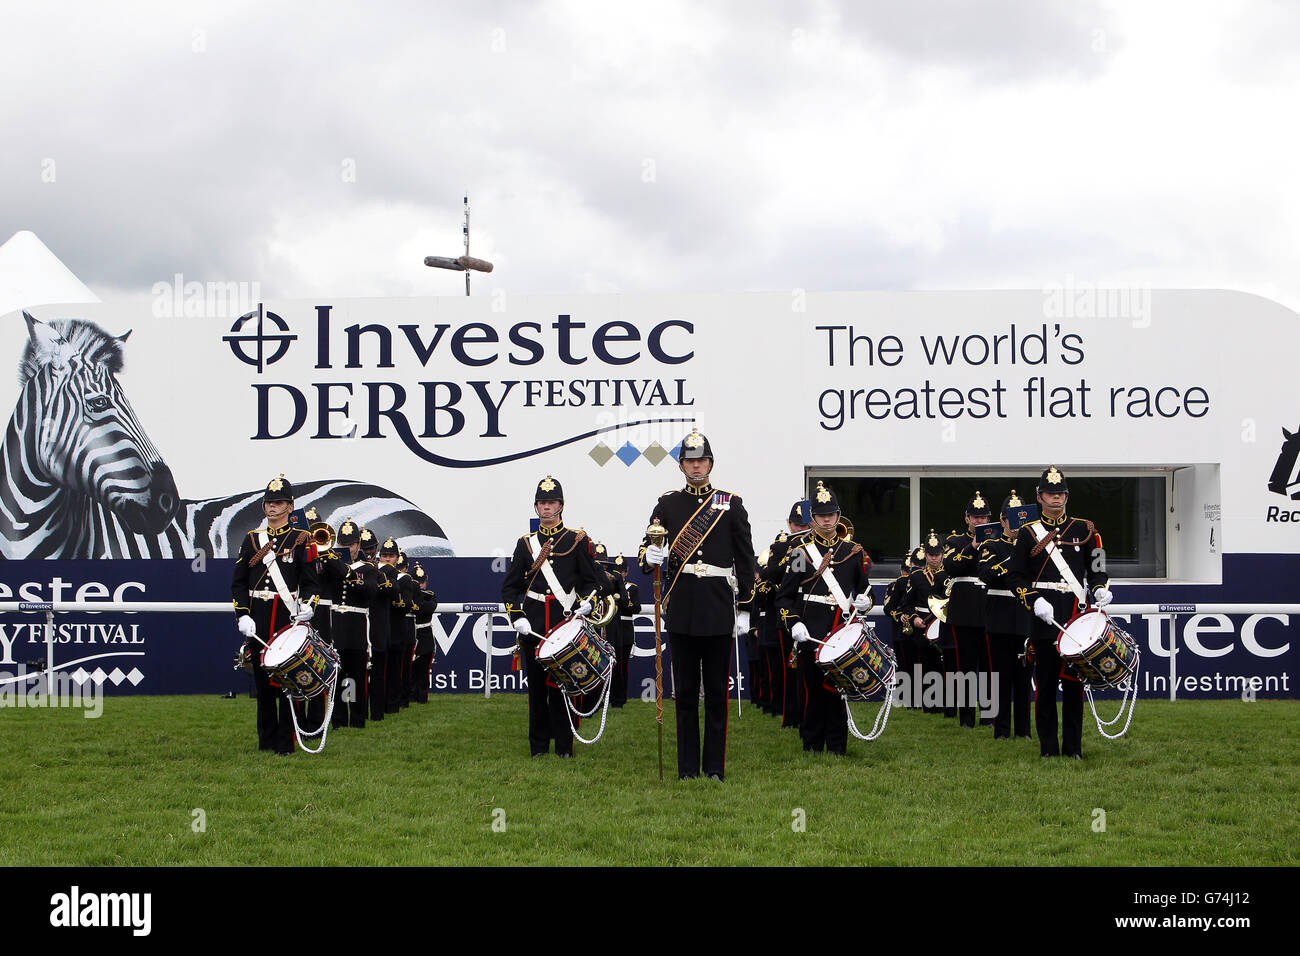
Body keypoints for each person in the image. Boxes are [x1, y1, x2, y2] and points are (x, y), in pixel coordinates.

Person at [640, 427, 756, 781]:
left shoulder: (730, 503)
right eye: (689, 461)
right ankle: (687, 769)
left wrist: (746, 606)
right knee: (686, 693)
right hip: (683, 609)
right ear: (681, 465)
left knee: (718, 694)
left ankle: (714, 769)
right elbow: (646, 552)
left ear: (711, 462)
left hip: (718, 607)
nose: (696, 466)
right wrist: (652, 556)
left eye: (701, 460)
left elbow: (745, 557)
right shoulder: (668, 504)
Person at [1007, 466, 1113, 759]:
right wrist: (1033, 599)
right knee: (1046, 685)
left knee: (1074, 684)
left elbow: (1098, 566)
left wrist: (1101, 587)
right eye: (1051, 494)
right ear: (1039, 497)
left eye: (1061, 493)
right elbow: (1014, 576)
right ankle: (1048, 749)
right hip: (1045, 617)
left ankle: (1073, 748)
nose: (1056, 498)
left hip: (1076, 615)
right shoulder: (1028, 533)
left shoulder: (1085, 529)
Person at [501, 476, 606, 758]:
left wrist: (587, 601)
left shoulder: (576, 540)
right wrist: (517, 616)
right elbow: (510, 587)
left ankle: (564, 747)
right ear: (536, 507)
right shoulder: (526, 544)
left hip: (565, 622)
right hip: (534, 624)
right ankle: (538, 747)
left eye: (551, 502)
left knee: (564, 688)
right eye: (542, 502)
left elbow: (590, 581)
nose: (547, 507)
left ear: (561, 505)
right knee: (536, 691)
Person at [776, 482, 871, 755]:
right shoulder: (800, 552)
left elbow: (864, 590)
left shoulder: (853, 551)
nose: (827, 520)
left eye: (831, 514)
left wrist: (866, 602)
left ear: (838, 516)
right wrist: (793, 622)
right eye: (821, 515)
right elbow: (784, 596)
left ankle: (838, 746)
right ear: (813, 518)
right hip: (810, 629)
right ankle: (813, 745)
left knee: (838, 691)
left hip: (839, 631)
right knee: (811, 691)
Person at [231, 475, 320, 755]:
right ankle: (266, 742)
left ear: (290, 506)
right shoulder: (251, 540)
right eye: (269, 502)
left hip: (286, 617)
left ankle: (287, 743)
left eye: (278, 502)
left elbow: (310, 582)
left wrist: (309, 605)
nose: (272, 507)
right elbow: (239, 582)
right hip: (258, 616)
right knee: (262, 684)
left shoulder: (302, 540)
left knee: (288, 683)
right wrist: (242, 615)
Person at [978, 492, 1033, 740]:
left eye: (1021, 519)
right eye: (1011, 519)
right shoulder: (992, 546)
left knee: (1024, 679)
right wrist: (1014, 558)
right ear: (1002, 522)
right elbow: (986, 574)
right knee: (1000, 677)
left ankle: (1023, 731)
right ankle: (1001, 731)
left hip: (1024, 617)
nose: (1016, 524)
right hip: (999, 618)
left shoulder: (1034, 547)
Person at [756, 501, 810, 726]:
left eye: (805, 524)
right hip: (789, 611)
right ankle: (791, 716)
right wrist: (792, 554)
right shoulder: (781, 546)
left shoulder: (822, 545)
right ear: (789, 524)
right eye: (796, 524)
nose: (800, 528)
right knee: (789, 668)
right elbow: (773, 573)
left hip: (813, 609)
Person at [322, 518, 376, 729]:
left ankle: (357, 718)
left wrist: (349, 573)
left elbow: (370, 591)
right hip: (336, 624)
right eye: (343, 544)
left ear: (358, 546)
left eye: (351, 544)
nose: (347, 548)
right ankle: (338, 719)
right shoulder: (332, 566)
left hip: (356, 626)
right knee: (338, 675)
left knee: (356, 676)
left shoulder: (368, 569)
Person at [944, 492, 992, 728]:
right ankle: (966, 717)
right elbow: (951, 566)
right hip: (964, 610)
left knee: (989, 665)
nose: (979, 522)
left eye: (983, 518)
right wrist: (973, 546)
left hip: (990, 608)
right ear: (967, 519)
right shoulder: (955, 541)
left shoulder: (996, 540)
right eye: (975, 517)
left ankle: (989, 715)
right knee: (966, 666)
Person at [906, 532, 951, 716]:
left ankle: (945, 705)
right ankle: (929, 706)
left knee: (945, 667)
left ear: (942, 554)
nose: (934, 558)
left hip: (944, 625)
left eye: (937, 554)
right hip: (923, 626)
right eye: (931, 554)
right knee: (927, 666)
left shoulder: (949, 574)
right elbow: (905, 604)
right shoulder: (916, 576)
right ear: (926, 555)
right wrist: (913, 618)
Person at [362, 528, 393, 723]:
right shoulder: (353, 568)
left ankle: (377, 712)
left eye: (371, 548)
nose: (368, 552)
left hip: (378, 626)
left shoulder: (386, 571)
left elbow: (392, 590)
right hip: (359, 627)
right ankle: (361, 712)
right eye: (365, 549)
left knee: (379, 672)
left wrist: (376, 572)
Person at [606, 553, 639, 708]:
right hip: (610, 626)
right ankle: (607, 696)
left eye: (622, 570)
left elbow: (634, 607)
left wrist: (621, 598)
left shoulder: (631, 588)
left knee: (622, 665)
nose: (619, 573)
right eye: (617, 570)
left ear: (626, 572)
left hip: (624, 629)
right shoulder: (609, 585)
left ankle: (621, 697)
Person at [411, 563, 438, 703]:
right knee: (409, 670)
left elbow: (429, 608)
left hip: (425, 634)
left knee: (423, 670)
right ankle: (409, 696)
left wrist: (415, 606)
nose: (420, 585)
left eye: (422, 582)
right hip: (410, 633)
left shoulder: (430, 596)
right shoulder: (408, 594)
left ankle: (422, 697)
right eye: (417, 582)